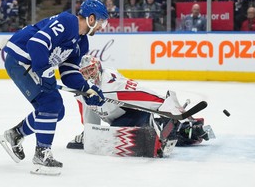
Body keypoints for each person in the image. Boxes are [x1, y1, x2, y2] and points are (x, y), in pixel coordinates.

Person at [0, 0, 109, 175]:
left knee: (57, 111)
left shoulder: (82, 43)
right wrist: (45, 71)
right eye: (102, 21)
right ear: (92, 18)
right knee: (51, 103)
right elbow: (36, 44)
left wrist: (87, 89)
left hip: (33, 64)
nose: (102, 26)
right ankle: (41, 155)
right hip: (21, 59)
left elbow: (69, 73)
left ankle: (15, 134)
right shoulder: (67, 22)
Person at [67, 55, 211, 156]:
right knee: (112, 131)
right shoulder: (82, 90)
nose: (89, 75)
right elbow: (87, 111)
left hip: (132, 114)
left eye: (91, 70)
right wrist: (89, 131)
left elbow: (140, 92)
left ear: (98, 67)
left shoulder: (110, 86)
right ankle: (181, 129)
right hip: (117, 118)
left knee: (115, 133)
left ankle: (179, 128)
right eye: (84, 73)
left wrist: (164, 104)